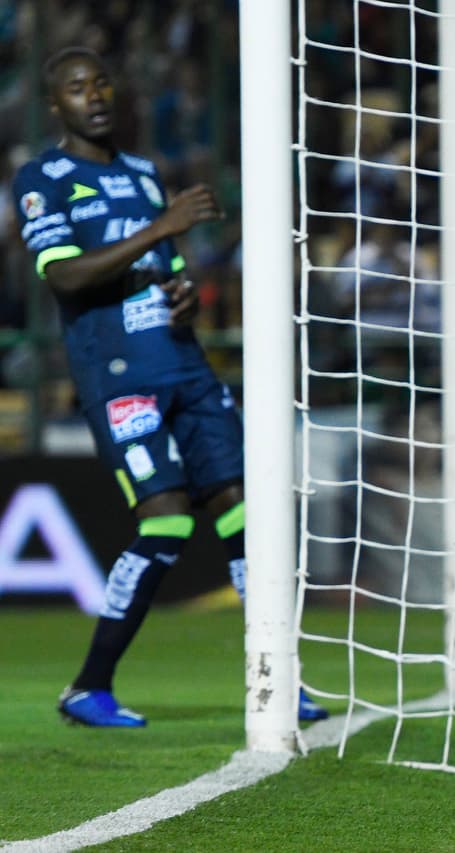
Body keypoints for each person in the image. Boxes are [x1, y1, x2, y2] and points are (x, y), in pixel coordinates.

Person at [11, 47, 327, 727]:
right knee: (167, 521)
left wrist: (181, 293)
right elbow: (63, 276)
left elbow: (164, 262)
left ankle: (277, 679)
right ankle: (89, 686)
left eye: (102, 82)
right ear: (55, 105)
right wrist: (163, 226)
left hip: (186, 364)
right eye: (77, 88)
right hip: (121, 376)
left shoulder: (142, 172)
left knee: (247, 514)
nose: (94, 95)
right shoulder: (43, 179)